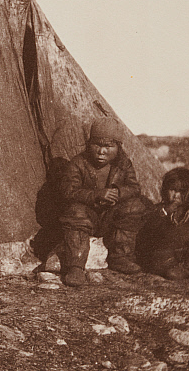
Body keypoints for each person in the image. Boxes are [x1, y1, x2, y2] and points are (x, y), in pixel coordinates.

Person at [56, 117, 150, 287]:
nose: (101, 151)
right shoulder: (78, 163)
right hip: (86, 216)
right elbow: (68, 192)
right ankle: (75, 266)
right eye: (97, 145)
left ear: (117, 147)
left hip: (110, 218)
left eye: (108, 146)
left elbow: (134, 188)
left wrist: (118, 193)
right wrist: (97, 195)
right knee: (75, 211)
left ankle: (120, 256)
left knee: (135, 206)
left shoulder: (123, 164)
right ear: (89, 144)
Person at [136, 167, 189, 280]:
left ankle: (183, 270)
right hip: (166, 255)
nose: (176, 195)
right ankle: (178, 271)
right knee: (156, 259)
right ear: (165, 190)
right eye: (173, 190)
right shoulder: (159, 210)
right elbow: (147, 229)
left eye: (182, 191)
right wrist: (165, 212)